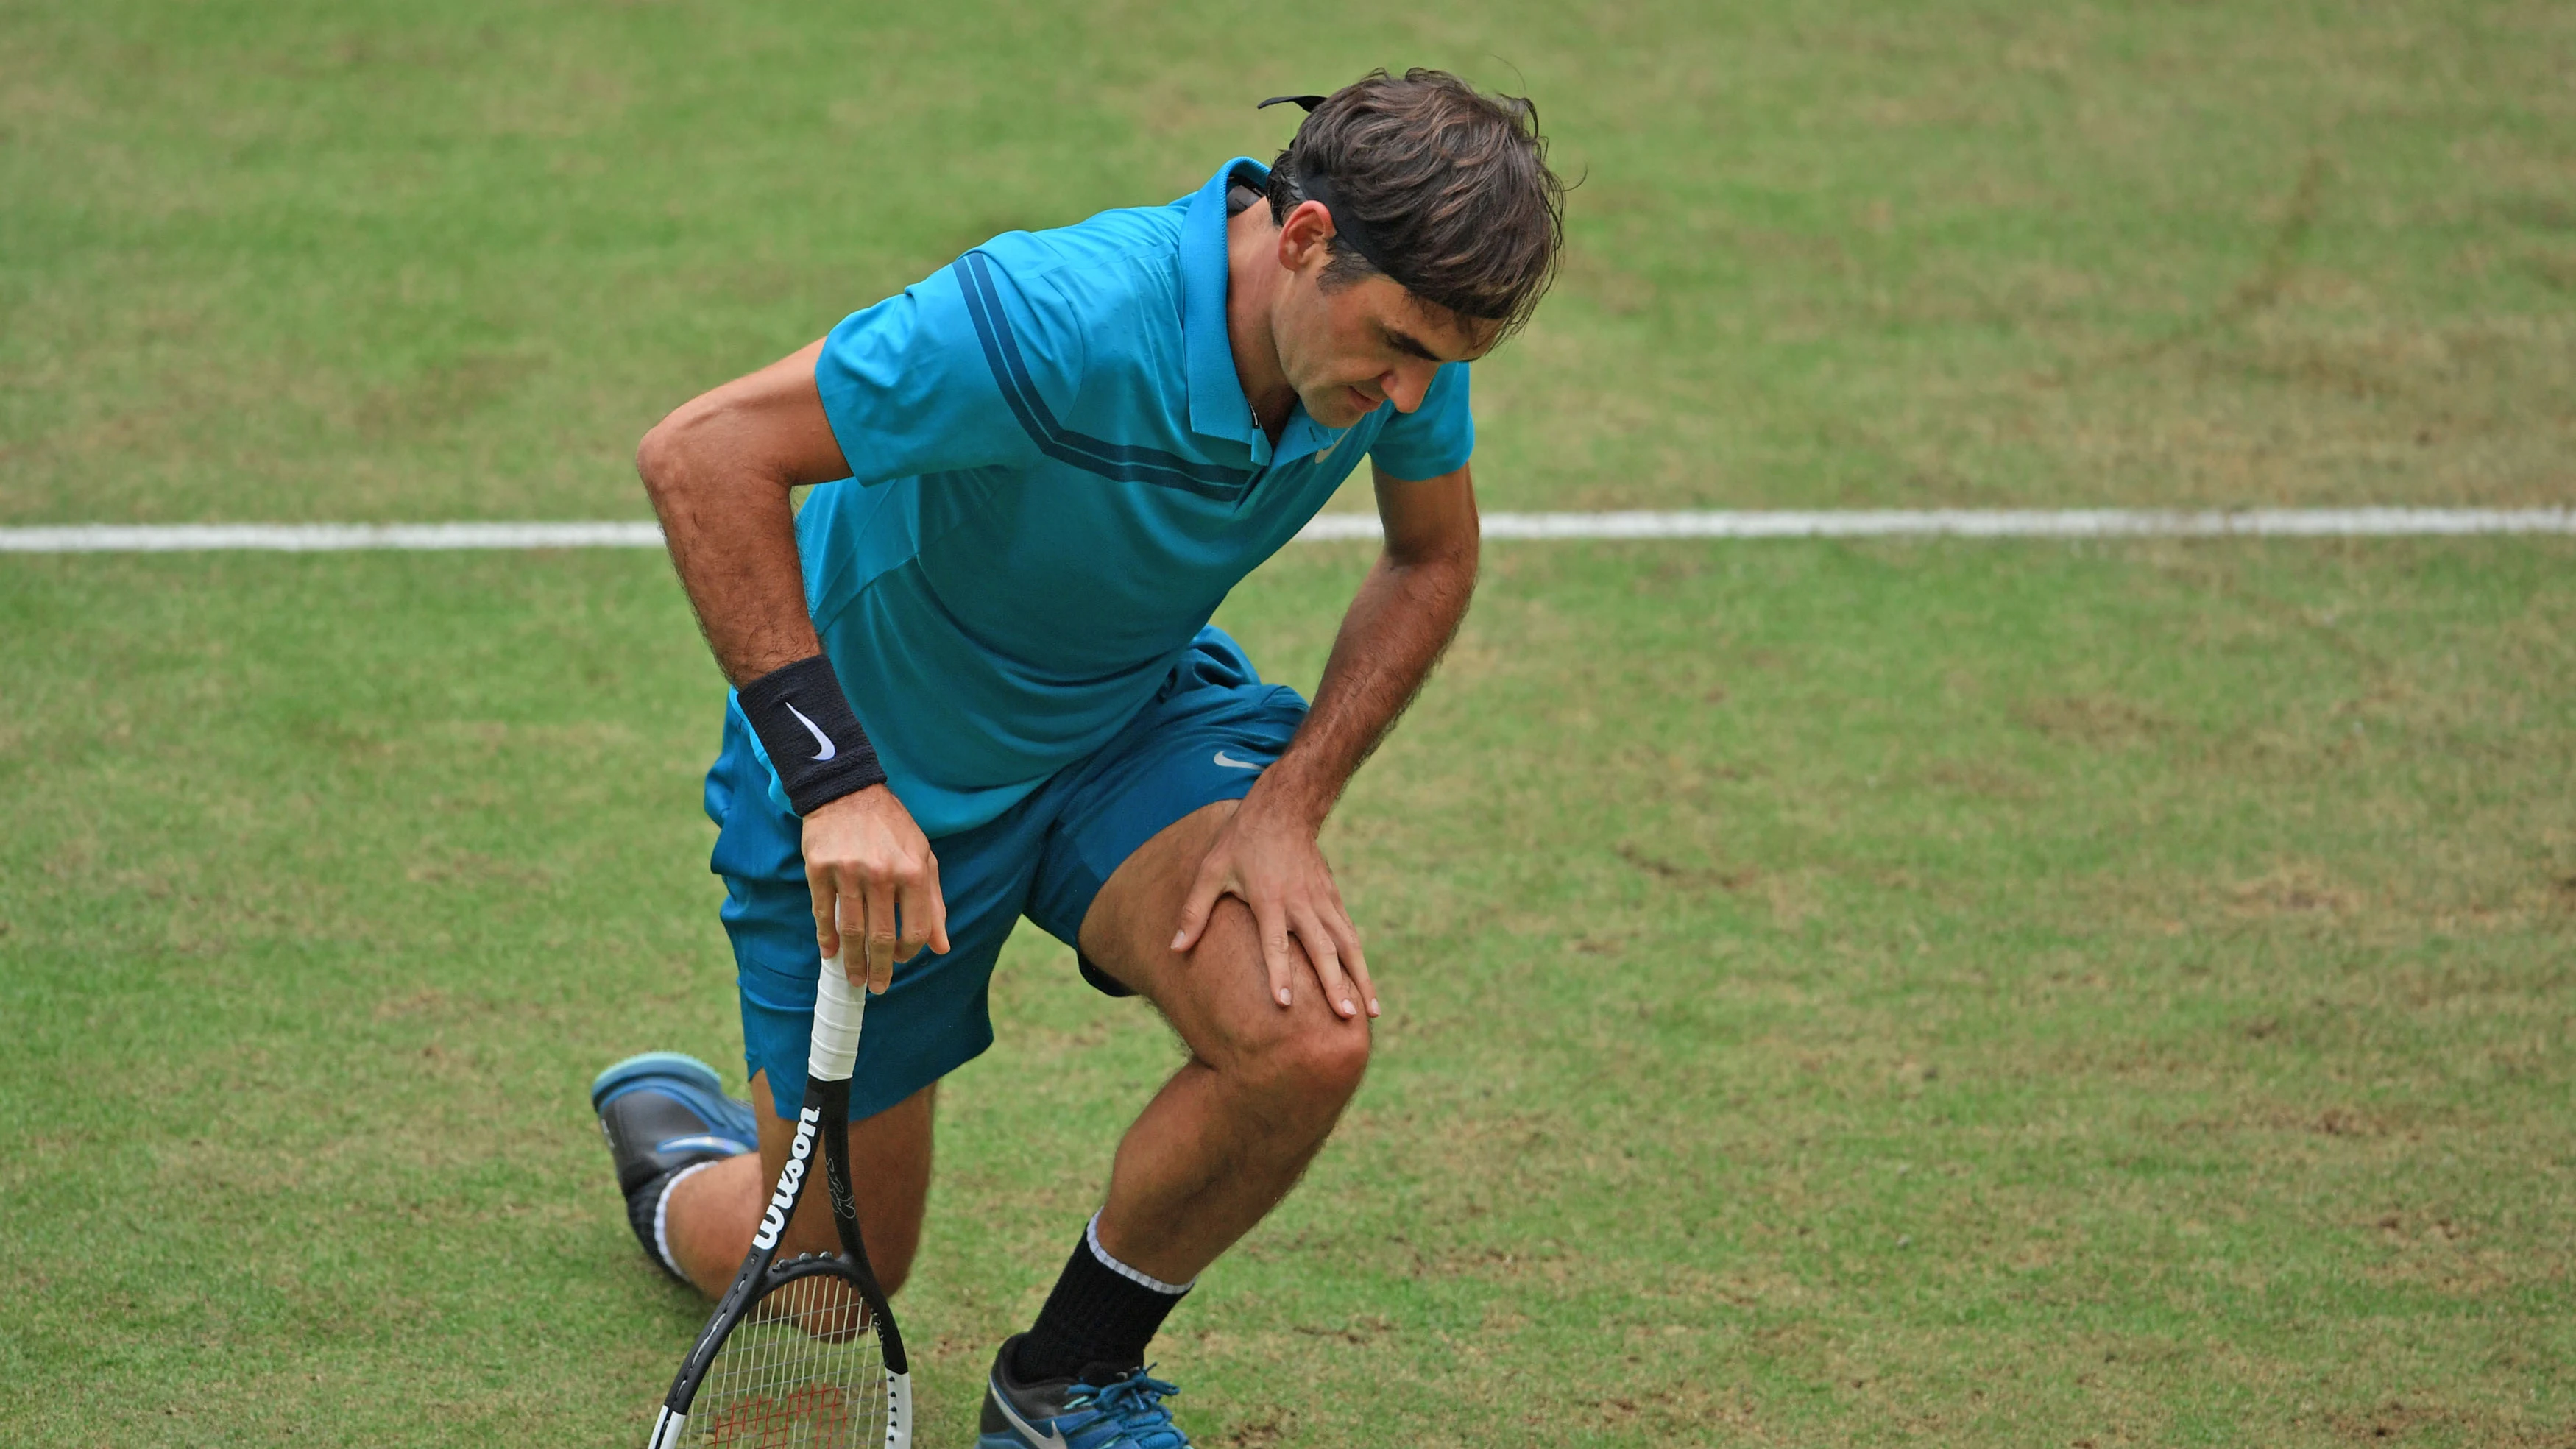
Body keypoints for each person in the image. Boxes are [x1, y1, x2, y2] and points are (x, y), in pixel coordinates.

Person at [591, 68, 1565, 1447]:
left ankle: (1062, 1383)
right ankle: (689, 1161)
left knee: (1305, 1041)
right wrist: (838, 783)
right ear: (1303, 238)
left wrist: (1289, 806)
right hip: (884, 776)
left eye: (1445, 365)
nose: (1410, 391)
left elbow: (1433, 558)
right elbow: (702, 456)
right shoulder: (1051, 317)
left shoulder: (1396, 363)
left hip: (1124, 726)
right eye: (1398, 343)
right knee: (823, 1285)